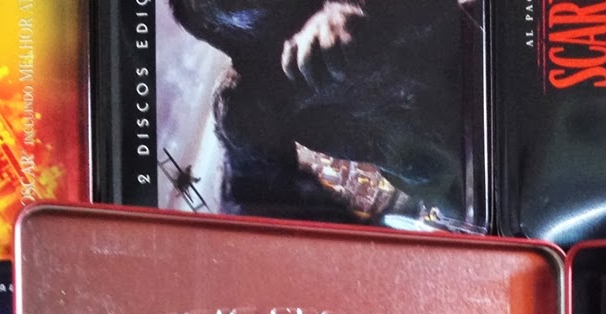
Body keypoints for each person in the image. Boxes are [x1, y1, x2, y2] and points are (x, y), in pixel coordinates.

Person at [167, 0, 479, 226]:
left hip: (485, 76)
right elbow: (261, 214)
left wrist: (357, 9)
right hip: (456, 190)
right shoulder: (255, 97)